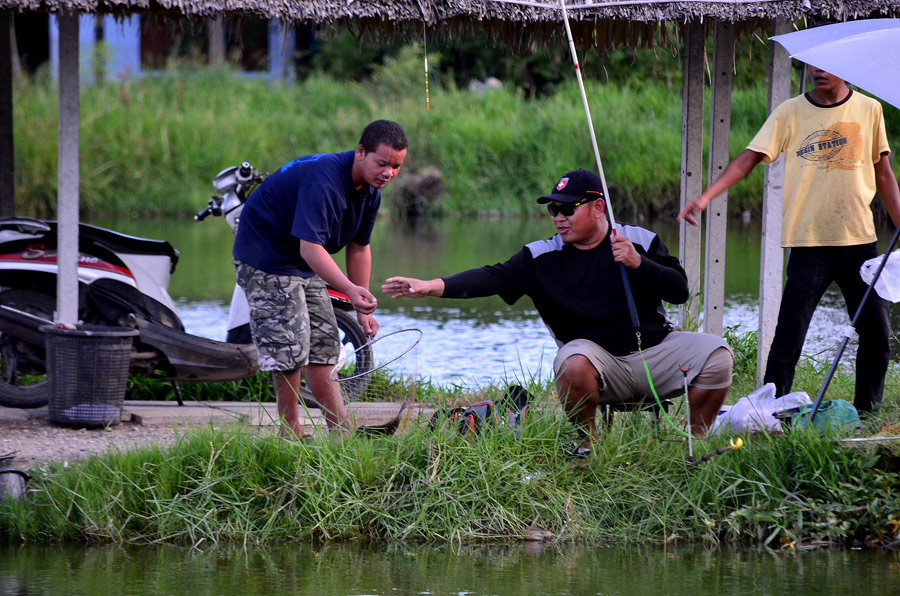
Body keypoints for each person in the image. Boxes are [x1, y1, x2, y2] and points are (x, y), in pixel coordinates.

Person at [383, 169, 733, 456]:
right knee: (573, 360)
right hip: (597, 364)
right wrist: (430, 286)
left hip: (653, 350)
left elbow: (679, 291)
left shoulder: (637, 239)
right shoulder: (541, 257)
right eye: (553, 210)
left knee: (717, 354)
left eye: (568, 209)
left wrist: (639, 263)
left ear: (598, 207)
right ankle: (587, 446)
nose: (559, 218)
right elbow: (492, 277)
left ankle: (693, 442)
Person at [678, 65, 900, 414]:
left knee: (876, 333)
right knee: (788, 337)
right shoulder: (790, 111)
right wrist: (705, 198)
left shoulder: (869, 109)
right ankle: (770, 409)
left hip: (860, 243)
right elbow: (748, 159)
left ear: (844, 68)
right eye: (813, 65)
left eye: (827, 66)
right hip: (809, 244)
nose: (817, 71)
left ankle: (867, 411)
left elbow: (883, 173)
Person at [233, 120, 409, 437]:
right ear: (360, 152)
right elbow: (311, 248)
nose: (388, 173)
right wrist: (348, 289)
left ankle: (340, 432)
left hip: (300, 261)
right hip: (265, 256)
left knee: (325, 344)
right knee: (290, 347)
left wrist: (362, 305)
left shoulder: (371, 192)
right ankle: (291, 435)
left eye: (396, 166)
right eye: (382, 163)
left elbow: (359, 248)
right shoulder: (325, 181)